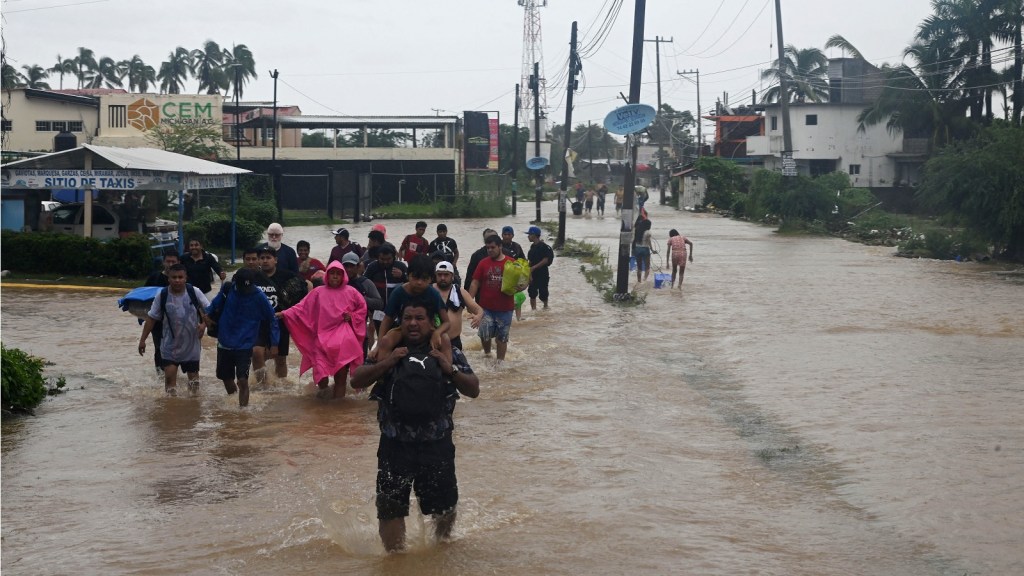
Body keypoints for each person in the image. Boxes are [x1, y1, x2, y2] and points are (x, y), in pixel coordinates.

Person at [350, 300, 480, 552]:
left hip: (437, 443)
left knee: (444, 506)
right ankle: (395, 561)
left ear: (432, 323)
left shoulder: (446, 350)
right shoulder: (388, 349)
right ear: (400, 321)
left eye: (419, 318)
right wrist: (388, 363)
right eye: (407, 317)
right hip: (394, 444)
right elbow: (358, 379)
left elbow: (473, 388)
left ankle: (441, 549)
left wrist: (448, 368)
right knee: (390, 508)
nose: (412, 323)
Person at [279, 261, 368, 399]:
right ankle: (323, 409)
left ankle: (337, 410)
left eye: (338, 274)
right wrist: (285, 313)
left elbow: (362, 309)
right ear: (327, 275)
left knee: (341, 376)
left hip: (343, 339)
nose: (335, 277)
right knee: (321, 375)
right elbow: (301, 308)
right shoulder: (318, 292)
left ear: (343, 276)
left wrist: (352, 316)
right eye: (332, 273)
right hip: (321, 338)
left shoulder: (352, 292)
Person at [206, 268, 279, 407]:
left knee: (243, 380)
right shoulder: (227, 289)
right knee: (227, 379)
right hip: (224, 342)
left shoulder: (259, 296)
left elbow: (272, 319)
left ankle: (242, 413)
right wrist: (206, 317)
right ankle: (233, 402)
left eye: (248, 288)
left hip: (245, 344)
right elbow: (214, 305)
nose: (246, 291)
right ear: (235, 282)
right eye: (242, 288)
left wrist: (274, 343)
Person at [137, 264, 210, 396]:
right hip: (169, 345)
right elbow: (151, 318)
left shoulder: (194, 292)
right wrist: (142, 340)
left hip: (191, 345)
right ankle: (171, 410)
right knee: (169, 381)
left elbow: (209, 311)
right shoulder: (162, 295)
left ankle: (193, 409)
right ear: (168, 279)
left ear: (186, 278)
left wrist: (203, 325)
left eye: (180, 277)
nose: (177, 280)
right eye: (174, 277)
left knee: (194, 382)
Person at [253, 246, 309, 380]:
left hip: (281, 323)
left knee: (280, 359)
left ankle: (281, 387)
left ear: (275, 260)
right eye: (262, 258)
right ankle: (262, 384)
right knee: (257, 352)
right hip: (258, 323)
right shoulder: (253, 277)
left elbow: (306, 287)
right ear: (259, 261)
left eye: (268, 258)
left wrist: (292, 311)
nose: (265, 261)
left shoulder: (287, 275)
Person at [376, 255, 451, 351]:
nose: (419, 282)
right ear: (408, 275)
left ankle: (448, 365)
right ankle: (382, 364)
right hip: (403, 329)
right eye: (415, 277)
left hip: (428, 330)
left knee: (445, 338)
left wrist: (437, 333)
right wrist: (378, 345)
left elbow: (447, 322)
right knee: (386, 340)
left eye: (424, 279)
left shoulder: (433, 294)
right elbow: (387, 320)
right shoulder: (398, 292)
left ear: (431, 279)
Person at [468, 234, 515, 362]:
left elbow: (522, 282)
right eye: (487, 248)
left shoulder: (511, 263)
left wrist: (522, 286)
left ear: (500, 246)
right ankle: (487, 354)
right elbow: (475, 282)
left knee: (502, 337)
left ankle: (500, 363)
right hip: (485, 308)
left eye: (492, 247)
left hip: (505, 309)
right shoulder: (483, 263)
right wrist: (469, 300)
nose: (489, 250)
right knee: (484, 335)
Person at [433, 261, 482, 351]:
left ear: (452, 276)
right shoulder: (429, 291)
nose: (442, 278)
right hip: (433, 340)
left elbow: (479, 310)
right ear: (435, 276)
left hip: (454, 341)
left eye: (446, 275)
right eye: (439, 275)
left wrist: (478, 317)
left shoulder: (460, 292)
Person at [342, 251, 384, 356]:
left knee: (359, 367)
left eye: (351, 266)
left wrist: (361, 299)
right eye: (346, 266)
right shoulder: (337, 282)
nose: (348, 269)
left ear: (358, 266)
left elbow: (379, 303)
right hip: (340, 333)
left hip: (360, 333)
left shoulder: (365, 283)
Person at [143, 251, 179, 372]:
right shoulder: (154, 278)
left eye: (173, 261)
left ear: (178, 262)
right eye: (168, 261)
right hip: (157, 321)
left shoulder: (182, 280)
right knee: (159, 348)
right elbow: (144, 295)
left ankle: (173, 372)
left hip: (177, 321)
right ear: (163, 262)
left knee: (177, 348)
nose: (170, 264)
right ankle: (160, 374)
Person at [363, 242, 408, 332]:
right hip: (377, 311)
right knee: (381, 334)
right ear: (378, 257)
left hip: (398, 311)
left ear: (394, 257)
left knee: (397, 337)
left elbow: (411, 284)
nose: (385, 262)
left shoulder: (401, 266)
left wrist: (402, 276)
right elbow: (364, 285)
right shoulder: (372, 267)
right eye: (382, 259)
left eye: (388, 259)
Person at [526, 225, 554, 310]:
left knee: (543, 292)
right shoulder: (532, 247)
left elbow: (546, 260)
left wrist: (534, 267)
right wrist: (528, 273)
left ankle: (545, 306)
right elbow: (530, 261)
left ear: (534, 235)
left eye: (529, 234)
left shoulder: (545, 247)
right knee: (532, 292)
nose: (528, 236)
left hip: (542, 273)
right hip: (533, 274)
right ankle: (533, 310)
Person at [633, 209, 653, 283]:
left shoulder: (637, 230)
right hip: (645, 249)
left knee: (639, 267)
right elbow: (649, 241)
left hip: (637, 249)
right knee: (647, 266)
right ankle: (644, 280)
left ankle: (639, 281)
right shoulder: (648, 232)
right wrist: (652, 249)